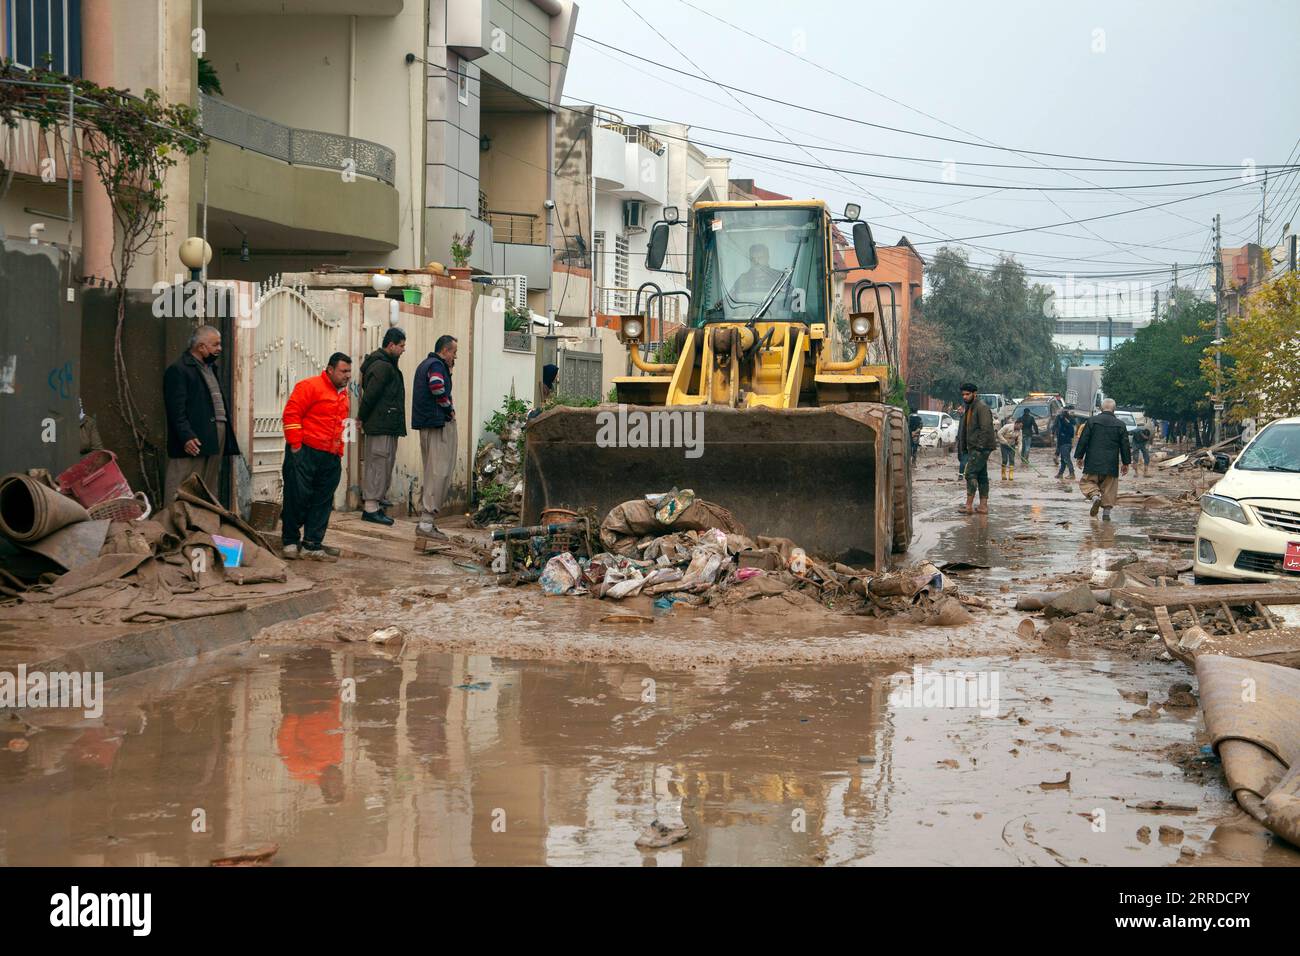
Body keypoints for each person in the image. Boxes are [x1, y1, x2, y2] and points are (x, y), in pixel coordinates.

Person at [281, 353, 352, 560]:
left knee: (322, 501)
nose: (347, 376)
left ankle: (312, 544)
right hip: (305, 452)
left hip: (330, 457)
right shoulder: (309, 386)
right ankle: (290, 542)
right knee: (296, 497)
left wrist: (339, 453)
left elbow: (341, 425)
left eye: (349, 371)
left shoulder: (343, 395)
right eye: (343, 371)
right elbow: (291, 414)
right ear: (330, 370)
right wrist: (295, 446)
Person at [163, 324, 240, 506]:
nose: (219, 349)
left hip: (213, 433)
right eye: (216, 345)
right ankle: (171, 525)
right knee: (180, 484)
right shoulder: (179, 369)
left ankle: (201, 527)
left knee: (207, 485)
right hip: (193, 438)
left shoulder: (210, 368)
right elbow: (175, 408)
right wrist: (186, 436)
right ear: (201, 347)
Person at [358, 327, 407, 526]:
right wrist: (361, 417)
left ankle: (375, 504)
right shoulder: (382, 366)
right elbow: (371, 395)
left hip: (387, 423)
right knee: (378, 464)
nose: (404, 349)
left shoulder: (387, 364)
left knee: (384, 462)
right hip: (380, 424)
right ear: (391, 345)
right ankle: (370, 508)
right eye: (401, 346)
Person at [413, 334, 458, 541]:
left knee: (434, 471)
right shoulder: (436, 366)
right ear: (445, 351)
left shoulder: (427, 364)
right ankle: (426, 523)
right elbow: (437, 386)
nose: (454, 357)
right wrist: (448, 408)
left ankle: (427, 522)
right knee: (438, 472)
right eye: (454, 352)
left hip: (429, 424)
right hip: (437, 424)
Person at [1073, 398, 1131, 521]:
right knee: (1109, 489)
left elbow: (1084, 440)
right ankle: (1106, 517)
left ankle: (1094, 496)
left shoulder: (1092, 421)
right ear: (1114, 410)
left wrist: (1079, 456)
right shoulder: (1120, 425)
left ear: (1100, 408)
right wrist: (1126, 463)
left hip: (1093, 462)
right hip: (1111, 464)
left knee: (1087, 482)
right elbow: (1125, 445)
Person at [955, 383, 995, 514]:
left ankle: (968, 506)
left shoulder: (981, 407)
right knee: (982, 476)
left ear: (974, 393)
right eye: (963, 395)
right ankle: (983, 506)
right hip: (973, 447)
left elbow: (986, 429)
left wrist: (980, 447)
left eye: (967, 394)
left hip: (980, 448)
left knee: (969, 473)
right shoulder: (970, 407)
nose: (965, 397)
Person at [1054, 406, 1077, 480]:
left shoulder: (1067, 424)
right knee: (1063, 460)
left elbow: (1072, 433)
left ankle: (1072, 474)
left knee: (1066, 459)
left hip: (1065, 444)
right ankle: (1060, 474)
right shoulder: (1066, 423)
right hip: (1063, 443)